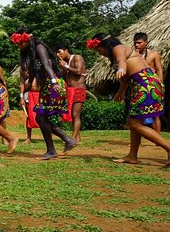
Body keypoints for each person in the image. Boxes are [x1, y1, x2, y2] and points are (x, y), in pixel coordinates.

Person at [88, 33, 168, 166]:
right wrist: (120, 92)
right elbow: (126, 78)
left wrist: (121, 68)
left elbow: (122, 62)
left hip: (145, 85)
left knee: (135, 124)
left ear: (104, 45)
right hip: (146, 84)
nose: (99, 53)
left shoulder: (118, 48)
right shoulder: (118, 52)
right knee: (134, 122)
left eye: (98, 49)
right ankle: (132, 156)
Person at [11, 28, 77, 160]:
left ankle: (57, 147)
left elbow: (47, 65)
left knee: (41, 118)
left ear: (26, 40)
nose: (19, 46)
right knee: (41, 118)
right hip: (47, 85)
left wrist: (53, 82)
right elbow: (33, 72)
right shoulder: (29, 53)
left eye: (21, 43)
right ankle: (65, 141)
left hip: (54, 84)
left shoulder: (39, 47)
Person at [55, 44, 87, 143]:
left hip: (79, 89)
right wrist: (63, 67)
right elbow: (64, 77)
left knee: (75, 114)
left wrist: (66, 66)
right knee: (72, 114)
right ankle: (77, 138)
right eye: (56, 53)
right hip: (70, 90)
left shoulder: (77, 57)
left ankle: (72, 139)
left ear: (66, 50)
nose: (58, 54)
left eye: (59, 52)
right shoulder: (65, 63)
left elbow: (79, 71)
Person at [134, 32, 164, 132]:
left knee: (155, 114)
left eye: (139, 43)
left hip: (153, 86)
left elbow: (159, 69)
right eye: (135, 43)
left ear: (146, 43)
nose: (137, 45)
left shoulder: (154, 54)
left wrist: (161, 84)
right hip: (139, 87)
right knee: (138, 114)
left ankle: (157, 139)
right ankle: (138, 139)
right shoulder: (132, 55)